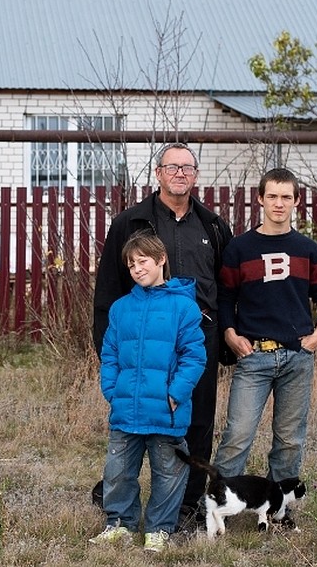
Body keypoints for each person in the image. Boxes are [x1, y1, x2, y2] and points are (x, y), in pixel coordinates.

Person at [91, 142, 233, 527]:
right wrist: (108, 352)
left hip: (197, 341)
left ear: (196, 175)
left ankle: (185, 509)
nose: (180, 173)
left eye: (188, 167)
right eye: (172, 166)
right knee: (135, 428)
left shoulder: (214, 226)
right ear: (158, 173)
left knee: (197, 424)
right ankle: (121, 506)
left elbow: (227, 287)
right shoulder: (130, 224)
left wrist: (228, 337)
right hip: (142, 347)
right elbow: (108, 290)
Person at [213, 167, 317, 490]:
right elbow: (225, 298)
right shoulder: (240, 248)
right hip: (254, 356)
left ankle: (279, 508)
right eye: (272, 196)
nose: (279, 203)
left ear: (296, 201)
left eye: (286, 197)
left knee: (289, 439)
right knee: (238, 435)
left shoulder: (308, 250)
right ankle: (214, 505)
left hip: (297, 357)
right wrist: (230, 334)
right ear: (260, 199)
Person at [89, 230, 207, 552]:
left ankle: (159, 530)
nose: (137, 269)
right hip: (125, 408)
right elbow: (110, 352)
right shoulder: (121, 308)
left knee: (168, 474)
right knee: (118, 472)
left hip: (166, 411)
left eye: (143, 261)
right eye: (131, 264)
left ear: (161, 260)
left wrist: (175, 394)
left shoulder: (183, 307)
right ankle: (120, 524)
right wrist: (112, 390)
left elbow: (194, 356)